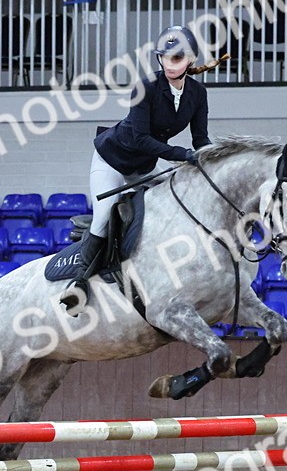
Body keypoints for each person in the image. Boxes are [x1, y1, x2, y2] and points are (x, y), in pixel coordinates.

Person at [61, 24, 212, 314]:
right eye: (165, 57)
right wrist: (182, 155)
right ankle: (79, 283)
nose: (170, 63)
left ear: (191, 59)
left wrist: (210, 158)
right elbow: (142, 139)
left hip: (144, 165)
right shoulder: (145, 87)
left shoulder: (198, 93)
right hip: (112, 160)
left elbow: (200, 139)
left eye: (177, 58)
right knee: (104, 214)